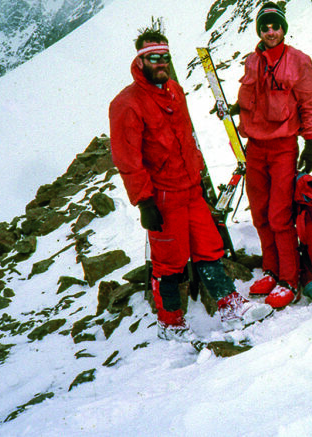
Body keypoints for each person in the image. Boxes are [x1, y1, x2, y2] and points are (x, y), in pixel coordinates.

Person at [109, 27, 271, 342]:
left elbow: (187, 139)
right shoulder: (127, 103)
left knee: (210, 249)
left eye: (165, 57)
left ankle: (229, 305)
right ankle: (170, 323)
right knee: (169, 262)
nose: (160, 63)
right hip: (163, 197)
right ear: (140, 61)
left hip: (191, 191)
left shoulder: (175, 91)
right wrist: (145, 202)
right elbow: (127, 158)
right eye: (152, 58)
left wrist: (197, 176)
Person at [235, 2, 312, 308]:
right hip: (255, 148)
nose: (271, 32)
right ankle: (271, 271)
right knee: (259, 213)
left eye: (276, 26)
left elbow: (309, 103)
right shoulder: (251, 61)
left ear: (284, 28)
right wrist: (236, 109)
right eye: (265, 27)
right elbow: (253, 98)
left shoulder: (298, 61)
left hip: (283, 146)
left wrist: (310, 142)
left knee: (279, 215)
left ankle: (289, 278)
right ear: (258, 30)